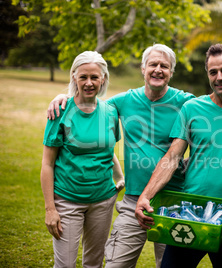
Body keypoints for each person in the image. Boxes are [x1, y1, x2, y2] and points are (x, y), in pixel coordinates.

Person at [46, 44, 195, 267]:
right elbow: (89, 103)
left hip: (173, 201)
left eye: (164, 66)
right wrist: (63, 97)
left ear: (171, 72)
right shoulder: (124, 101)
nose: (158, 70)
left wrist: (191, 163)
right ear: (143, 69)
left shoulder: (186, 102)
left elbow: (211, 121)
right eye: (152, 64)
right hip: (134, 200)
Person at [135, 44, 222, 268]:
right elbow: (172, 158)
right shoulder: (191, 109)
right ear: (207, 74)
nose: (219, 77)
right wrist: (145, 196)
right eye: (213, 72)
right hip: (190, 211)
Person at [41, 51, 125, 267]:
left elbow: (107, 151)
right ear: (74, 78)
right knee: (65, 264)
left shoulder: (110, 112)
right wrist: (50, 208)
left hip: (103, 200)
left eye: (94, 77)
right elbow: (47, 164)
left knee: (94, 263)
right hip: (67, 201)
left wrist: (120, 177)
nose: (89, 83)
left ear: (103, 79)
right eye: (83, 77)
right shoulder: (59, 111)